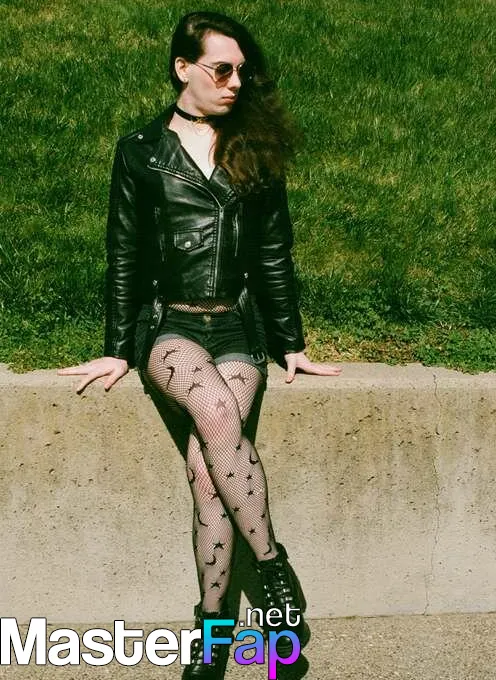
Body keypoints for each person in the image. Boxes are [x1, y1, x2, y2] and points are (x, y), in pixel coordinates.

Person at [59, 11, 341, 679]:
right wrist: (118, 348)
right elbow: (124, 254)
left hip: (237, 330)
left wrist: (290, 343)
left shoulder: (253, 147)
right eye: (222, 69)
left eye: (242, 71)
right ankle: (274, 571)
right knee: (215, 415)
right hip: (172, 328)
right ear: (183, 69)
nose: (235, 82)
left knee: (207, 476)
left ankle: (213, 635)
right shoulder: (140, 151)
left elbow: (273, 253)